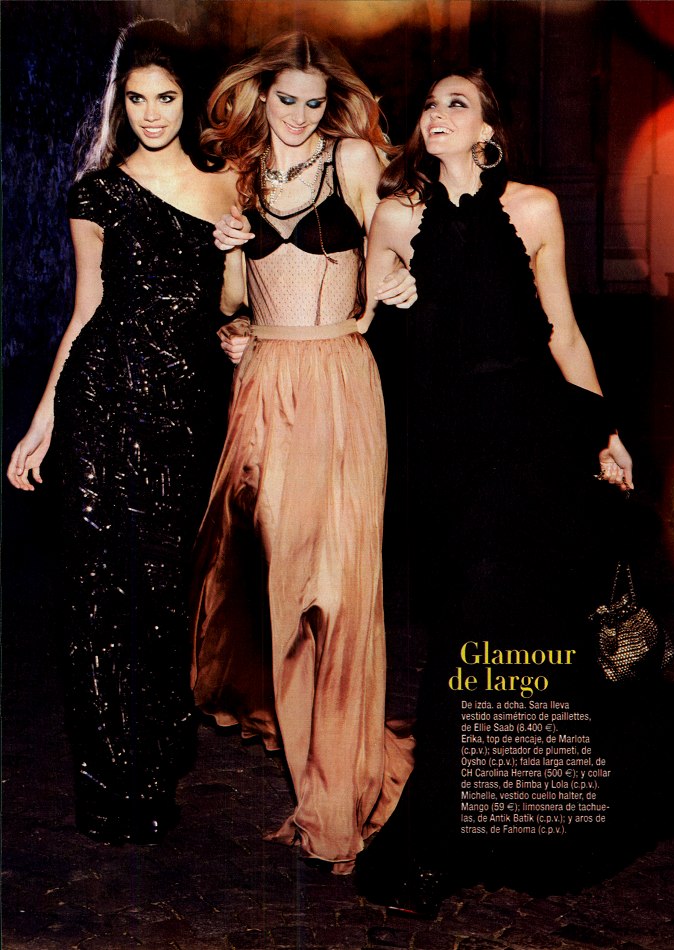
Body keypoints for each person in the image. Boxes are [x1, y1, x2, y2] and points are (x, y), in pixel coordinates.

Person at [353, 69, 634, 913]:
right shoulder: (395, 215)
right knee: (465, 630)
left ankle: (479, 835)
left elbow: (564, 333)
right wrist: (386, 296)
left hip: (534, 437)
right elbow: (363, 319)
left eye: (458, 104)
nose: (437, 114)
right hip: (447, 452)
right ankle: (452, 829)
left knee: (513, 628)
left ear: (488, 131)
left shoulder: (535, 209)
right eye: (431, 104)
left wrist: (605, 431)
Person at [7, 19, 239, 844]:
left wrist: (239, 278)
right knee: (99, 590)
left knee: (164, 588)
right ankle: (111, 779)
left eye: (165, 98)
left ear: (187, 98)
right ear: (121, 104)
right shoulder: (96, 193)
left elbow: (236, 306)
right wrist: (42, 422)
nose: (151, 114)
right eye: (136, 99)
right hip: (102, 403)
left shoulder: (229, 187)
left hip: (184, 411)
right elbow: (84, 314)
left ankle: (158, 754)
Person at [189, 32, 416, 873]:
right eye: (287, 99)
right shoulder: (240, 174)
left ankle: (338, 783)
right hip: (264, 385)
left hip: (339, 382)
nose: (299, 115)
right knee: (283, 580)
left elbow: (399, 238)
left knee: (341, 585)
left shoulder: (351, 159)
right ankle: (309, 748)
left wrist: (398, 281)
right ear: (261, 96)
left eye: (314, 103)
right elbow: (233, 302)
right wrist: (230, 298)